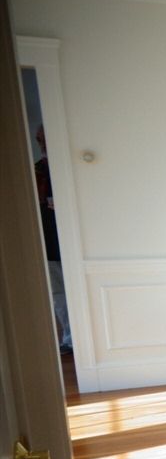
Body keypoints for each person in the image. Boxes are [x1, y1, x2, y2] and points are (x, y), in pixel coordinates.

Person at [35, 125, 71, 353]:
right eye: (39, 139)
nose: (42, 143)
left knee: (79, 291)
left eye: (45, 137)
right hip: (48, 243)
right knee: (59, 295)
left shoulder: (67, 166)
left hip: (72, 243)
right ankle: (69, 339)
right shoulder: (36, 170)